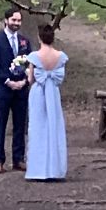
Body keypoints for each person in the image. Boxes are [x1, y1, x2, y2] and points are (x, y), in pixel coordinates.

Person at [0, 7, 31, 174]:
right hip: (3, 90)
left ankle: (18, 159)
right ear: (6, 20)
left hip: (21, 90)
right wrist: (8, 81)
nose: (16, 23)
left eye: (19, 21)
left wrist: (25, 81)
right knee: (1, 125)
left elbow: (30, 63)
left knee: (20, 125)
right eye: (14, 20)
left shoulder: (25, 41)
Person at [24, 24, 68, 181]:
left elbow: (31, 80)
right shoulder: (60, 56)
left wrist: (28, 72)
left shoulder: (35, 56)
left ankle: (39, 169)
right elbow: (59, 78)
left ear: (39, 37)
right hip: (53, 94)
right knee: (53, 126)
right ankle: (55, 168)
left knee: (38, 128)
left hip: (38, 93)